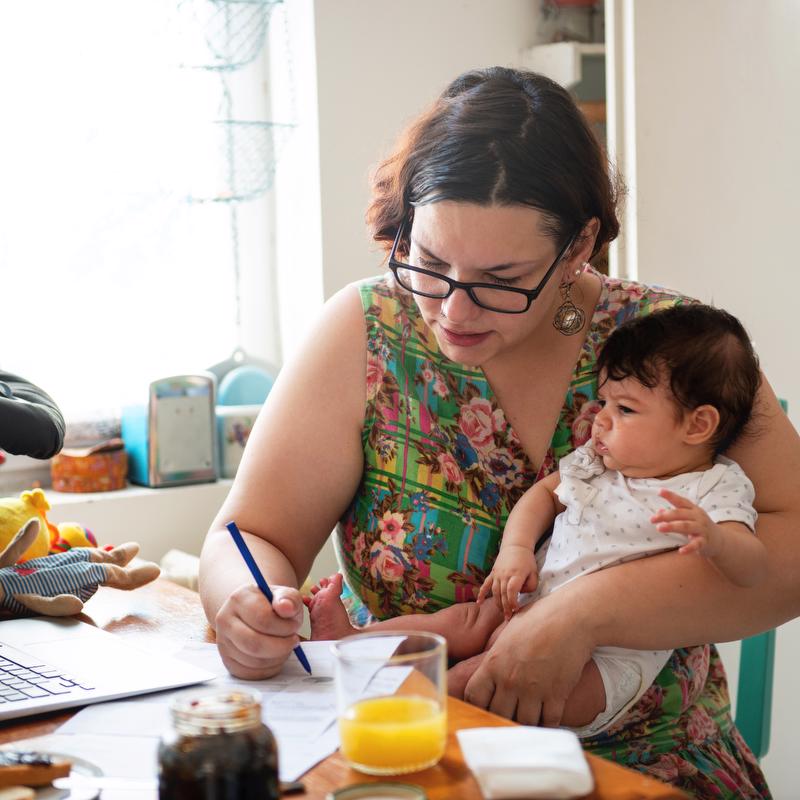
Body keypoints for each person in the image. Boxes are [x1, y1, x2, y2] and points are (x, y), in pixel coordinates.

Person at [199, 67, 800, 798]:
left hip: (638, 763)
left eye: (499, 278)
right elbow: (249, 534)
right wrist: (246, 607)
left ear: (579, 246)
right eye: (427, 263)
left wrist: (585, 611)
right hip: (406, 741)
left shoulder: (677, 349)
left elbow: (793, 547)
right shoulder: (367, 329)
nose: (453, 309)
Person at [305, 303, 767, 738]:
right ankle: (354, 643)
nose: (600, 421)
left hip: (607, 659)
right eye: (604, 403)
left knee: (479, 680)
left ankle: (400, 717)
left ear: (698, 425)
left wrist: (714, 540)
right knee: (463, 621)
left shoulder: (713, 488)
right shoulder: (598, 462)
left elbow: (753, 569)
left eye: (624, 409)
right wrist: (516, 550)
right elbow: (542, 497)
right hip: (530, 598)